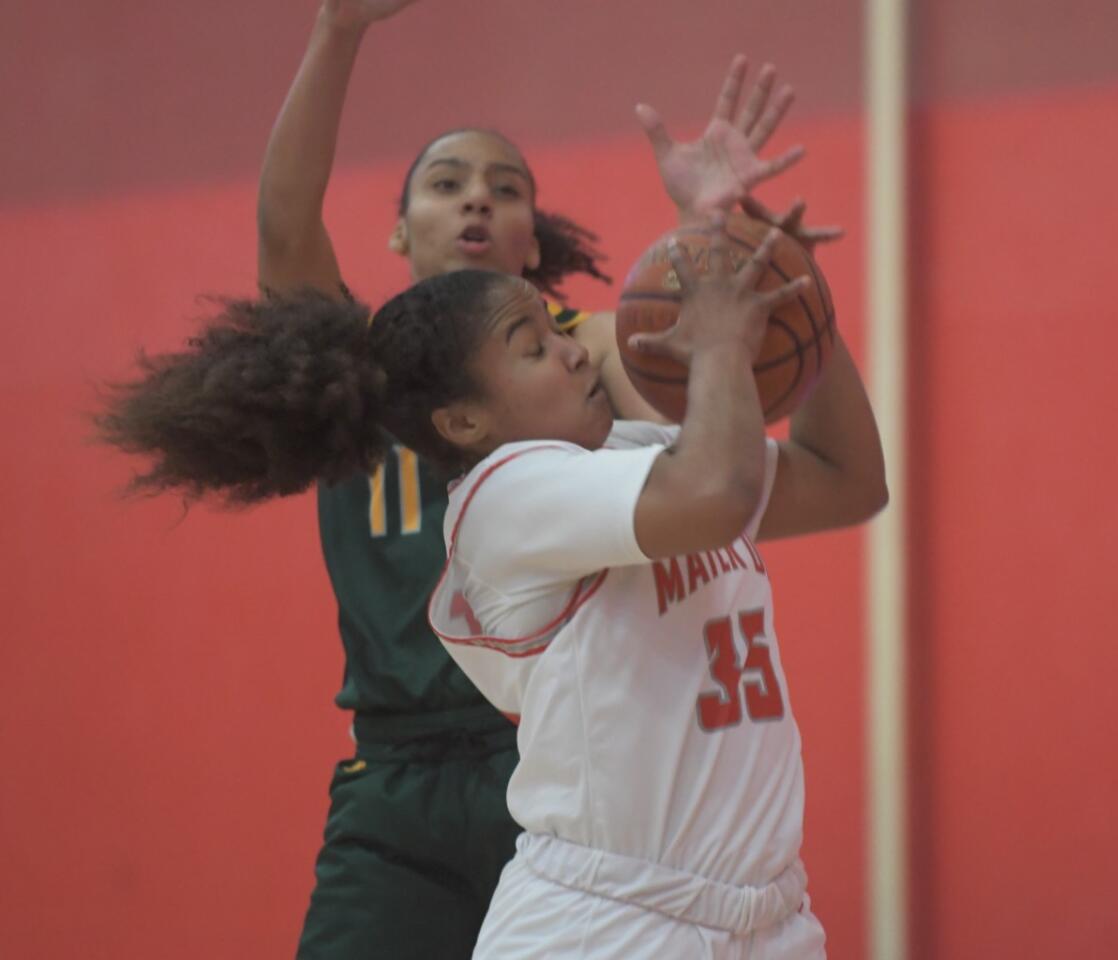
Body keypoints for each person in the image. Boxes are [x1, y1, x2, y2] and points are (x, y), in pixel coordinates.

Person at [96, 209, 886, 957]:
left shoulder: (637, 454)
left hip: (768, 913)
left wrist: (797, 305)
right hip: (608, 926)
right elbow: (717, 494)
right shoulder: (504, 498)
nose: (576, 350)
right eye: (532, 345)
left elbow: (847, 481)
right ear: (464, 421)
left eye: (556, 331)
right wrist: (720, 345)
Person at [250, 0, 821, 956]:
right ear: (398, 232)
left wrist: (703, 241)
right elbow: (282, 226)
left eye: (505, 187)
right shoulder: (353, 367)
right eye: (447, 182)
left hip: (560, 769)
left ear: (535, 237)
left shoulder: (585, 357)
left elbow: (709, 439)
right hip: (399, 773)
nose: (477, 198)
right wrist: (336, 31)